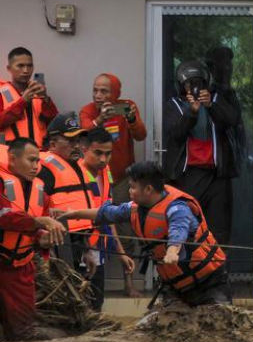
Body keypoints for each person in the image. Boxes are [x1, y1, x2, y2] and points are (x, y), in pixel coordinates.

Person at [56, 161, 230, 308]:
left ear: (148, 189)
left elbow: (179, 230)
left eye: (132, 187)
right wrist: (72, 214)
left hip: (209, 283)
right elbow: (106, 213)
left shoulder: (178, 207)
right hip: (176, 287)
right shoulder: (134, 208)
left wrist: (172, 251)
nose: (129, 191)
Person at [39, 117, 129, 310]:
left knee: (85, 301)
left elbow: (86, 217)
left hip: (79, 245)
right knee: (64, 302)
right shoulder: (44, 169)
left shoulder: (76, 169)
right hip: (57, 246)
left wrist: (87, 249)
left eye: (77, 141)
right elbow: (36, 210)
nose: (76, 146)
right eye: (70, 141)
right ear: (53, 143)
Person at [162, 59, 242, 251]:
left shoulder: (215, 101)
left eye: (198, 83)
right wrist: (192, 112)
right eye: (189, 84)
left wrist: (211, 106)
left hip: (217, 177)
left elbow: (233, 119)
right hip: (188, 176)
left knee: (219, 231)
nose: (194, 88)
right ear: (181, 85)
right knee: (188, 227)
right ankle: (189, 275)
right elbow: (176, 134)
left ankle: (219, 274)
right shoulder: (174, 105)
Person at [80, 73, 147, 296]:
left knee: (126, 231)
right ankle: (90, 287)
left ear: (116, 93)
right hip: (93, 179)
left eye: (104, 91)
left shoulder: (126, 107)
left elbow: (141, 135)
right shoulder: (88, 111)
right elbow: (84, 136)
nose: (98, 95)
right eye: (95, 90)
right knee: (92, 230)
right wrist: (99, 120)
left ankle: (128, 284)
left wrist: (131, 119)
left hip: (121, 181)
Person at [0, 138, 63, 340]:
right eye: (31, 160)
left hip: (21, 267)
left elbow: (37, 231)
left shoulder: (40, 193)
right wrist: (39, 222)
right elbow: (4, 217)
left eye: (38, 161)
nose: (36, 166)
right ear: (12, 158)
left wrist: (44, 239)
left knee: (24, 333)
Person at [0, 47, 58, 146]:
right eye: (20, 66)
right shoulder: (2, 93)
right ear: (9, 69)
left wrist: (46, 100)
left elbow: (55, 125)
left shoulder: (39, 92)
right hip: (12, 154)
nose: (26, 70)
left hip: (39, 153)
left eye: (29, 65)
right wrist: (23, 102)